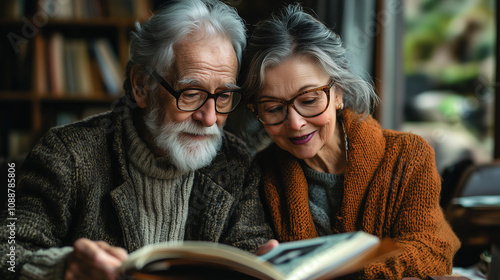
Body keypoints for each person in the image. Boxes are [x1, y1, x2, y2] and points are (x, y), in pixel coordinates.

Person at [0, 0, 273, 279]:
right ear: (142, 86)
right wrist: (62, 267)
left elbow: (250, 249)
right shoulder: (67, 155)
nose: (209, 117)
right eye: (191, 93)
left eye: (224, 96)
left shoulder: (235, 164)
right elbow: (9, 255)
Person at [242, 4, 461, 279]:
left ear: (338, 93)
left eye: (309, 100)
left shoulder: (408, 156)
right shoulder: (259, 176)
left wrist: (347, 274)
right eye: (273, 108)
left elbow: (431, 251)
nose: (295, 123)